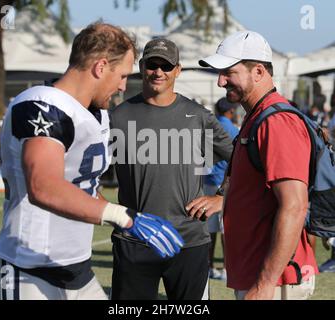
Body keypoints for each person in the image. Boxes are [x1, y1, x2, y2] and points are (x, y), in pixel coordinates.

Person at [0, 22, 183, 300]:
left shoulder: (98, 114)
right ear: (101, 66)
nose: (122, 86)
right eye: (122, 75)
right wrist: (123, 216)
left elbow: (83, 183)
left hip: (78, 269)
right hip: (29, 268)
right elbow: (43, 186)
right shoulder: (41, 105)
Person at [195, 30, 318, 300]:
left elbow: (295, 205)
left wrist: (265, 283)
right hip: (262, 275)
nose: (220, 81)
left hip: (276, 280)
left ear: (259, 72)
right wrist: (224, 201)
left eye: (229, 72)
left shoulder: (276, 122)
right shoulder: (259, 116)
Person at [109, 38, 233, 300]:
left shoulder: (197, 116)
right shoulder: (117, 117)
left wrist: (222, 196)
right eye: (152, 65)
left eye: (166, 66)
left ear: (177, 70)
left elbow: (242, 157)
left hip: (189, 242)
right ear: (142, 67)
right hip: (134, 239)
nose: (158, 72)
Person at [203, 98, 239, 280]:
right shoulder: (232, 129)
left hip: (207, 179)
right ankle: (227, 268)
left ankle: (208, 267)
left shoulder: (210, 125)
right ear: (231, 111)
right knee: (226, 228)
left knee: (209, 228)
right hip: (223, 182)